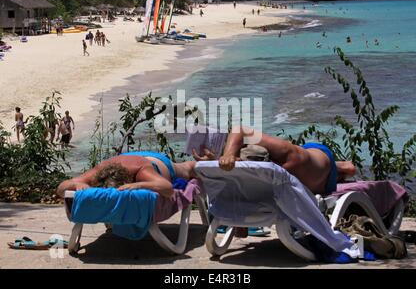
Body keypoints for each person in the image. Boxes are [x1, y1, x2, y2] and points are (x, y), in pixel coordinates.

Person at [218, 126, 356, 195]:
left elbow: (239, 129)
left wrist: (229, 153)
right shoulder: (263, 178)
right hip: (318, 178)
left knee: (340, 171)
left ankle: (342, 165)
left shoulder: (290, 157)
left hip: (319, 157)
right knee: (319, 174)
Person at [56, 151, 215, 198]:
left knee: (186, 169)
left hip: (152, 161)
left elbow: (167, 188)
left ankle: (211, 161)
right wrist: (77, 184)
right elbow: (61, 188)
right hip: (128, 156)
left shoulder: (140, 172)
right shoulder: (97, 173)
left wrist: (138, 184)